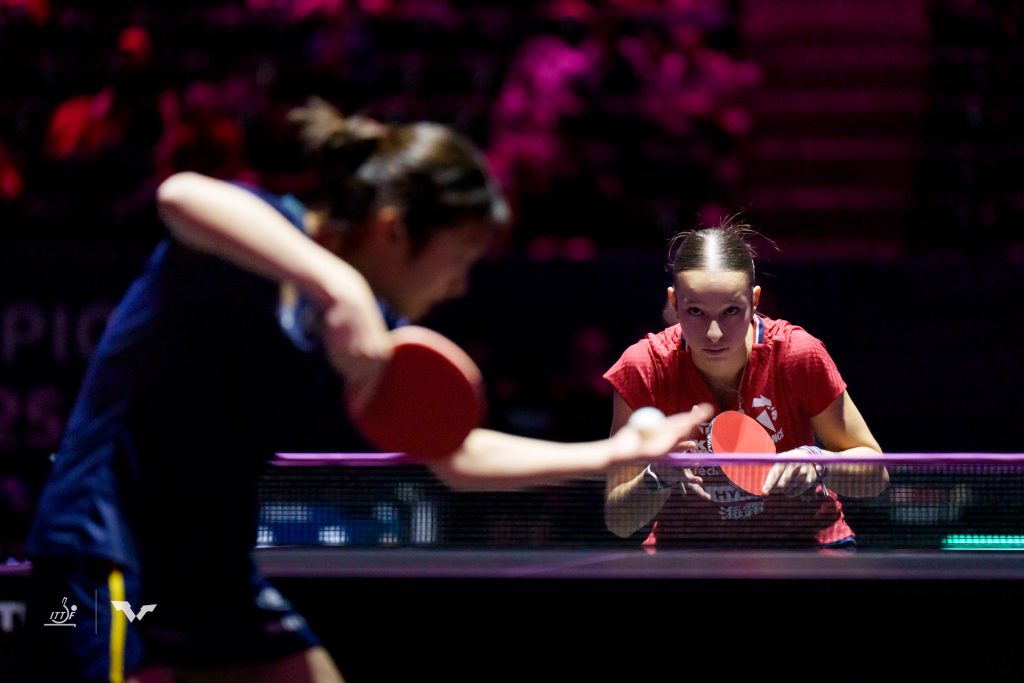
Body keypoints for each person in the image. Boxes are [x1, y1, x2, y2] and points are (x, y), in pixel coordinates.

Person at [25, 97, 712, 683]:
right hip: (103, 547)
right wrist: (335, 283)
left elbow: (454, 453)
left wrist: (613, 451)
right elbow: (180, 196)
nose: (459, 286)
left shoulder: (373, 342)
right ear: (393, 231)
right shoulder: (269, 236)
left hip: (207, 561)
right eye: (458, 258)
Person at [603, 222, 888, 548]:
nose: (714, 334)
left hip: (804, 545)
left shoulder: (796, 355)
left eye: (731, 311)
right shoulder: (644, 368)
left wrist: (819, 462)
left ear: (755, 300)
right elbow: (618, 521)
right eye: (695, 311)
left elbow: (876, 477)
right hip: (689, 552)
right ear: (674, 302)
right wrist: (656, 478)